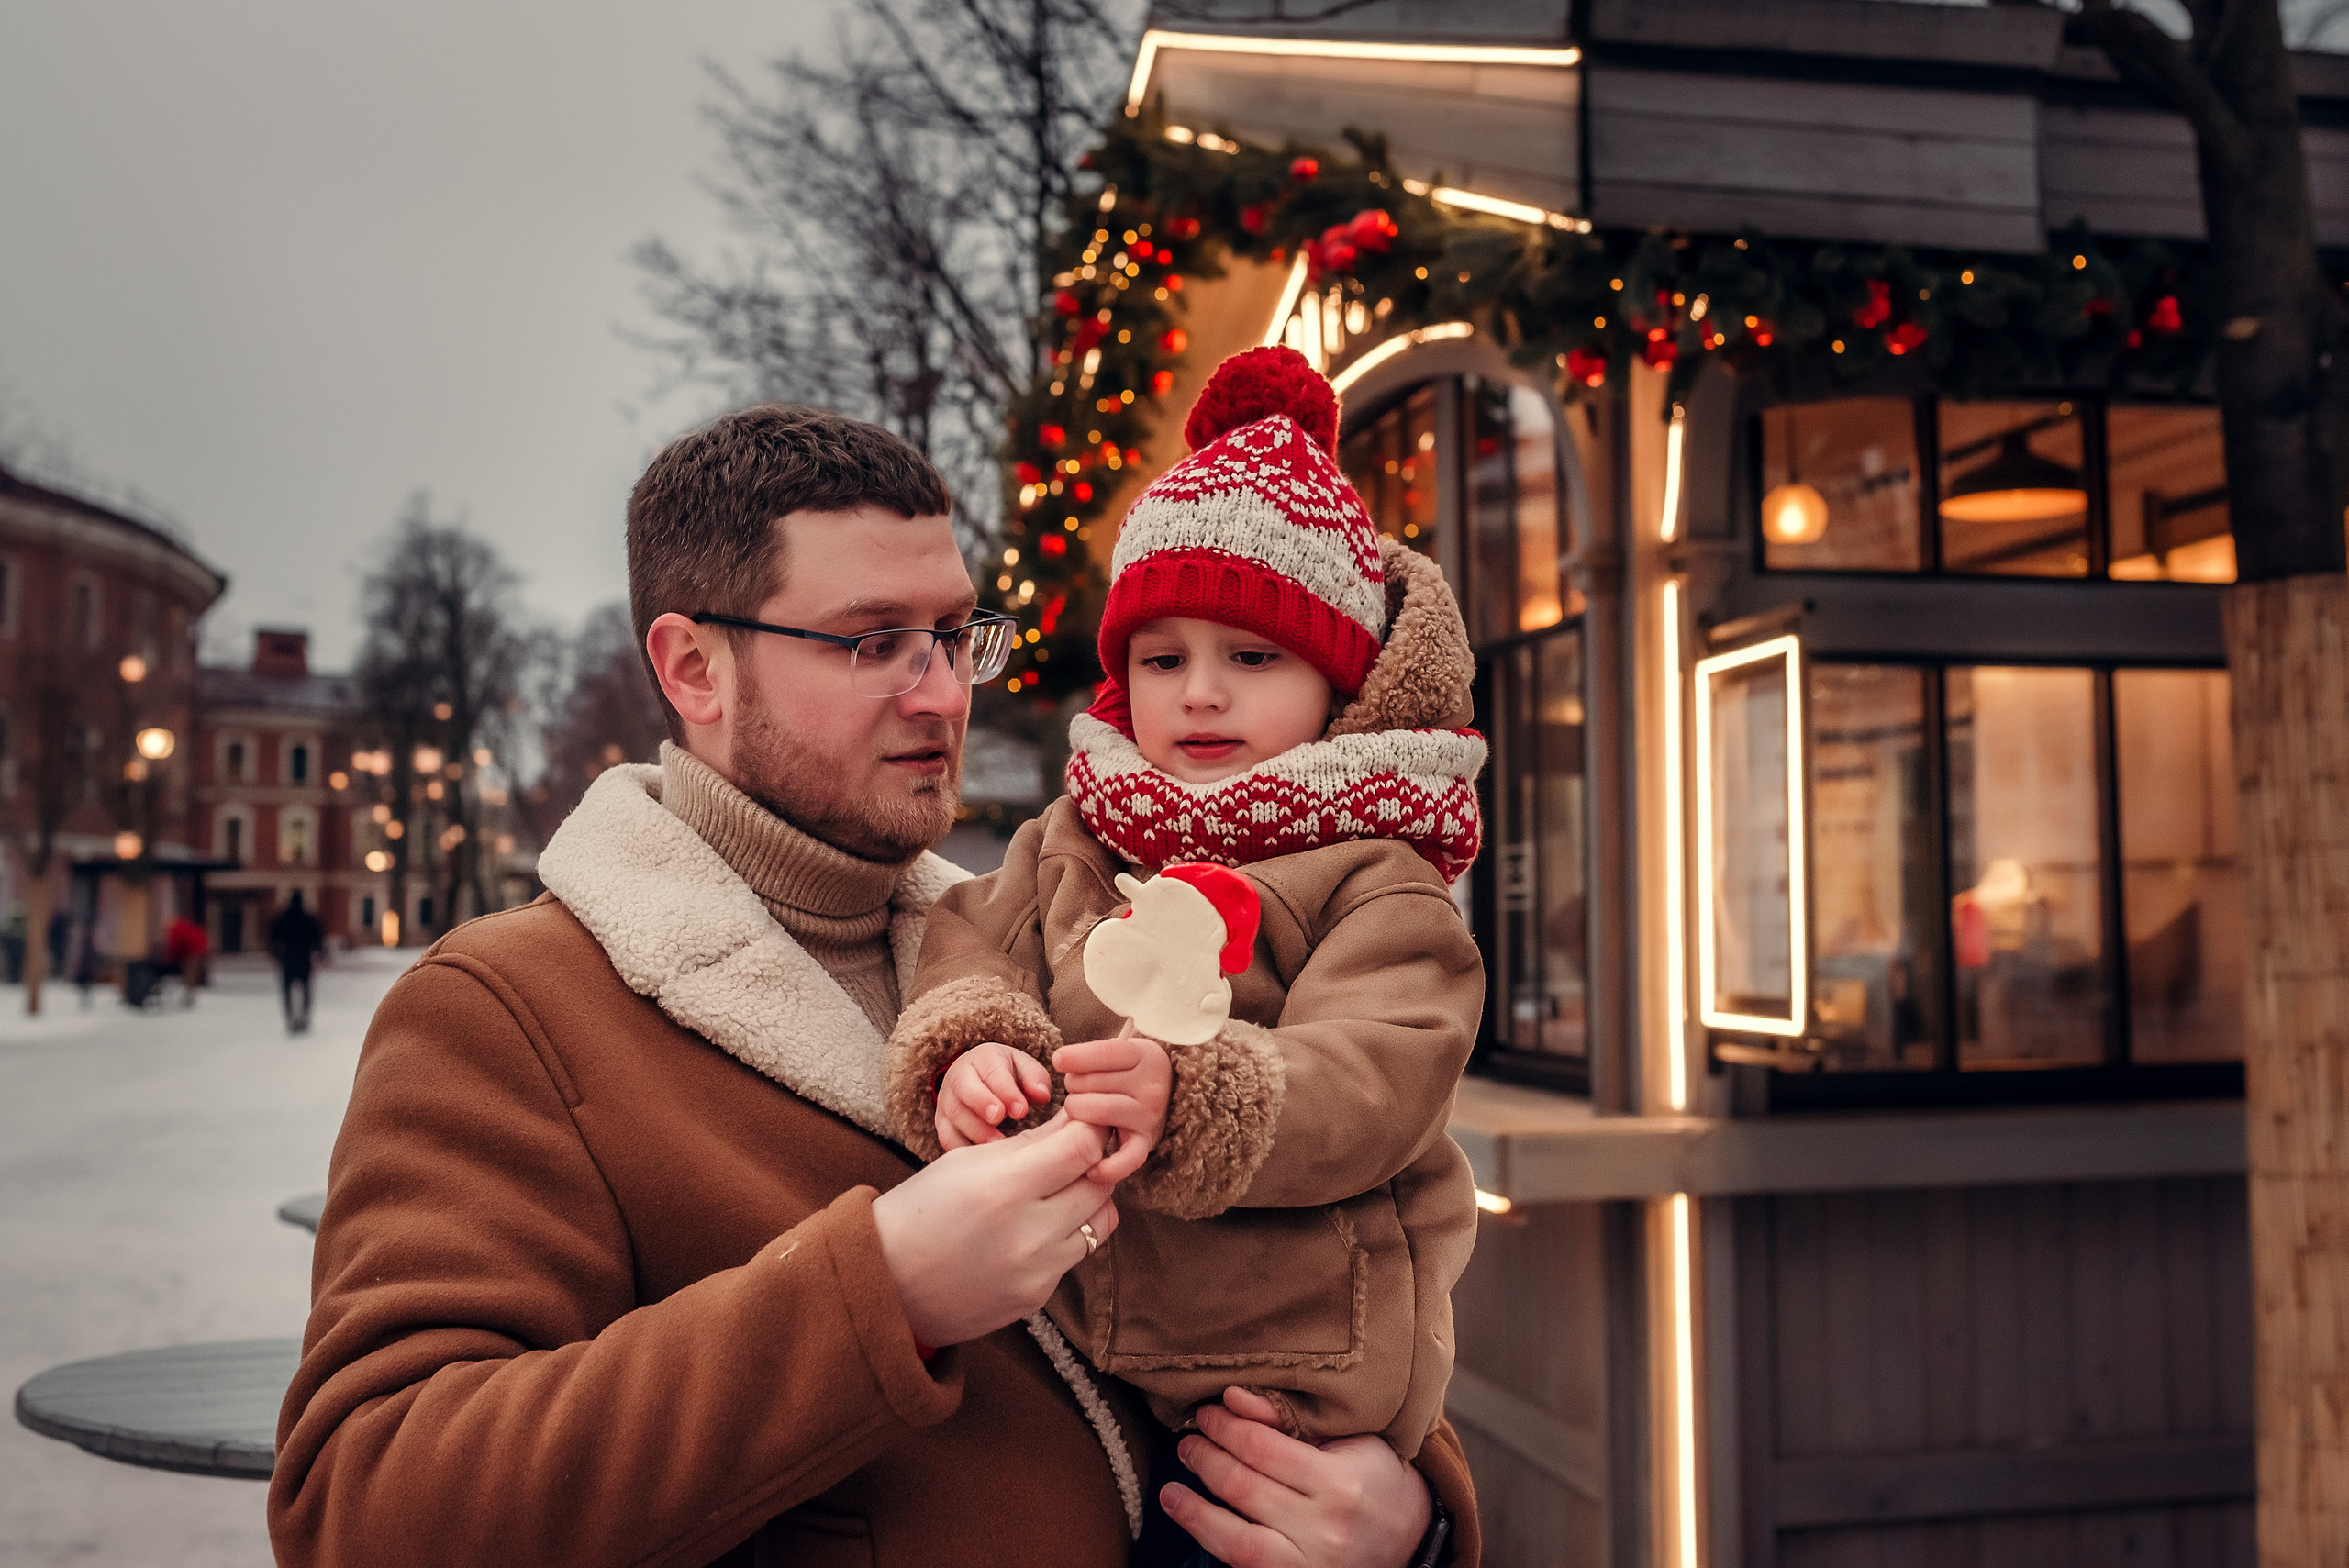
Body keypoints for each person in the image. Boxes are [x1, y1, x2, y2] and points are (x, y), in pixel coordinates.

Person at [268, 403, 1479, 1568]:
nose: (945, 692)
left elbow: (1298, 1283)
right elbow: (367, 1507)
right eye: (871, 641)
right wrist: (880, 1294)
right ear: (695, 667)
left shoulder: (1042, 935)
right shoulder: (508, 1009)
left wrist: (1405, 1517)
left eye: (955, 635)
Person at [885, 348, 1486, 1562]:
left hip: (1289, 1386)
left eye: (1253, 659)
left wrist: (1205, 1097)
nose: (1201, 696)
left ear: (1336, 682)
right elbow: (967, 940)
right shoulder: (1076, 838)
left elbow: (1383, 1068)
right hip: (1089, 1355)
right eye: (1165, 660)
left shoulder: (1370, 872)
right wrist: (973, 1046)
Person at [269, 891, 323, 1032]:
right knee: (306, 990)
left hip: (288, 959)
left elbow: (273, 939)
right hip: (304, 959)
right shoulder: (308, 918)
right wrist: (319, 955)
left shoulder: (283, 918)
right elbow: (318, 939)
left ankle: (290, 1018)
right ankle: (304, 1019)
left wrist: (275, 956)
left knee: (287, 991)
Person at [161, 912, 208, 1006]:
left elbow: (174, 946)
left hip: (193, 951)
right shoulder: (185, 926)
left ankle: (189, 998)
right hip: (202, 949)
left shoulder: (176, 929)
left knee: (190, 974)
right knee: (194, 974)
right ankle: (190, 995)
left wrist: (167, 960)